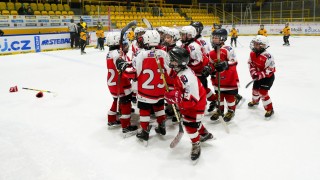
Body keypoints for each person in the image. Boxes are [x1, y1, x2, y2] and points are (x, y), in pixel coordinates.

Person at [164, 46, 213, 161]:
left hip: (195, 105)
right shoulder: (182, 70)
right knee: (194, 122)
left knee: (190, 126)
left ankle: (196, 144)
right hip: (193, 102)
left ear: (178, 62)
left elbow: (191, 99)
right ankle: (204, 133)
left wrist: (176, 99)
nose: (169, 61)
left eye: (172, 59)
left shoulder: (186, 77)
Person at [119, 30, 167, 143]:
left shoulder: (142, 54)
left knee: (144, 110)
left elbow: (135, 72)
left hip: (145, 91)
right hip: (160, 90)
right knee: (160, 107)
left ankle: (144, 131)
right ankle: (162, 126)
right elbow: (169, 71)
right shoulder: (164, 53)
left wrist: (123, 68)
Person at [106, 32, 138, 136]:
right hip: (121, 83)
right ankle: (126, 126)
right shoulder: (118, 54)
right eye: (123, 42)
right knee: (126, 103)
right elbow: (123, 67)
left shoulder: (110, 53)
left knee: (116, 100)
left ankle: (111, 119)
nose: (125, 45)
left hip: (112, 83)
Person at [204, 29, 240, 122]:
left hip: (229, 79)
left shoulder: (228, 49)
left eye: (216, 37)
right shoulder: (212, 53)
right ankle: (219, 110)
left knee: (229, 97)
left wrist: (225, 64)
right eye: (213, 37)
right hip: (217, 80)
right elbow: (211, 64)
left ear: (223, 38)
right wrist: (209, 69)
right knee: (219, 97)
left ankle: (231, 111)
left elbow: (234, 61)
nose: (214, 39)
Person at [248, 35, 275, 118]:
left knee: (263, 92)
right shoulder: (252, 53)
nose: (254, 45)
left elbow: (271, 69)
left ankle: (269, 109)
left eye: (257, 44)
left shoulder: (268, 56)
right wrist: (253, 73)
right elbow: (250, 64)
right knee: (255, 90)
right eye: (254, 43)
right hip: (257, 76)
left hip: (267, 78)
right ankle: (255, 101)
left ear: (263, 45)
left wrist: (260, 74)